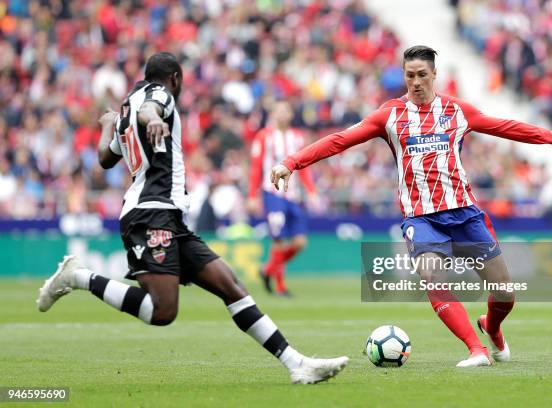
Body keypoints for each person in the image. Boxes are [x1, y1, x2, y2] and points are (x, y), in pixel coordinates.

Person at [270, 45, 552, 367]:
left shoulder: (457, 111)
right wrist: (292, 161)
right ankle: (475, 350)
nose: (416, 82)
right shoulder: (390, 116)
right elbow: (339, 140)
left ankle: (492, 327)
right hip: (422, 219)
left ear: (434, 75)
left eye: (422, 75)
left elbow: (506, 127)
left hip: (465, 215)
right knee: (432, 277)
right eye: (410, 75)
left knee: (505, 294)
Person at [36, 52, 348, 384]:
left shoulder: (124, 109)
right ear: (174, 78)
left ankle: (295, 363)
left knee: (231, 287)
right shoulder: (157, 96)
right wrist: (155, 118)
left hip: (168, 216)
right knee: (163, 311)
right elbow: (151, 108)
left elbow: (105, 157)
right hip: (150, 214)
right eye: (179, 82)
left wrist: (105, 126)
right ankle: (79, 277)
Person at [247, 102, 317, 296]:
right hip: (272, 193)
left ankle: (267, 270)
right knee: (278, 239)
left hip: (293, 195)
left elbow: (304, 166)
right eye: (278, 111)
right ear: (273, 114)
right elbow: (256, 167)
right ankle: (280, 286)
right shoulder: (264, 136)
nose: (282, 114)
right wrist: (252, 195)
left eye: (285, 110)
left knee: (300, 242)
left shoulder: (297, 137)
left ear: (291, 114)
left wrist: (311, 190)